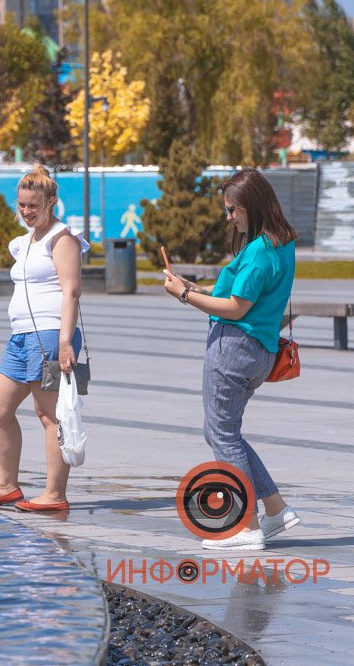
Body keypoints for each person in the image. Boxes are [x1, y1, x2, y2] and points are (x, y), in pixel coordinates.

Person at [162, 169, 299, 551]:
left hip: (234, 347)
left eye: (232, 210)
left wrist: (183, 296)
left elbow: (236, 308)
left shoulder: (257, 253)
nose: (229, 218)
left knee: (222, 435)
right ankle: (275, 509)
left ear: (251, 206)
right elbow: (241, 292)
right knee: (224, 433)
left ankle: (246, 526)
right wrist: (197, 287)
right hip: (260, 350)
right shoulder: (281, 243)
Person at [0, 164, 86, 512]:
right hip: (21, 338)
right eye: (21, 205)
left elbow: (71, 291)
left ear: (51, 201)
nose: (26, 212)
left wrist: (66, 342)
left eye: (33, 205)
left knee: (50, 415)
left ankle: (55, 494)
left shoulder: (61, 238)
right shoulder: (24, 242)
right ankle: (7, 485)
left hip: (51, 336)